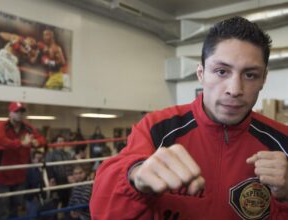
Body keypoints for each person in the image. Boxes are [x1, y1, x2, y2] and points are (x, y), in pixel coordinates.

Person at [90, 16, 288, 219]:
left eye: (250, 75)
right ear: (201, 74)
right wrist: (134, 178)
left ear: (263, 78)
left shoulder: (283, 140)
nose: (235, 90)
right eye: (221, 71)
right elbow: (101, 209)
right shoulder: (158, 128)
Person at [0, 101, 46, 220]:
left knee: (15, 208)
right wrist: (21, 143)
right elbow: (1, 140)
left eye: (22, 112)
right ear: (10, 113)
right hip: (3, 175)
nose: (19, 114)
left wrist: (36, 142)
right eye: (16, 111)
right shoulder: (1, 125)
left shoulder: (28, 127)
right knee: (3, 210)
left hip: (20, 175)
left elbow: (42, 139)